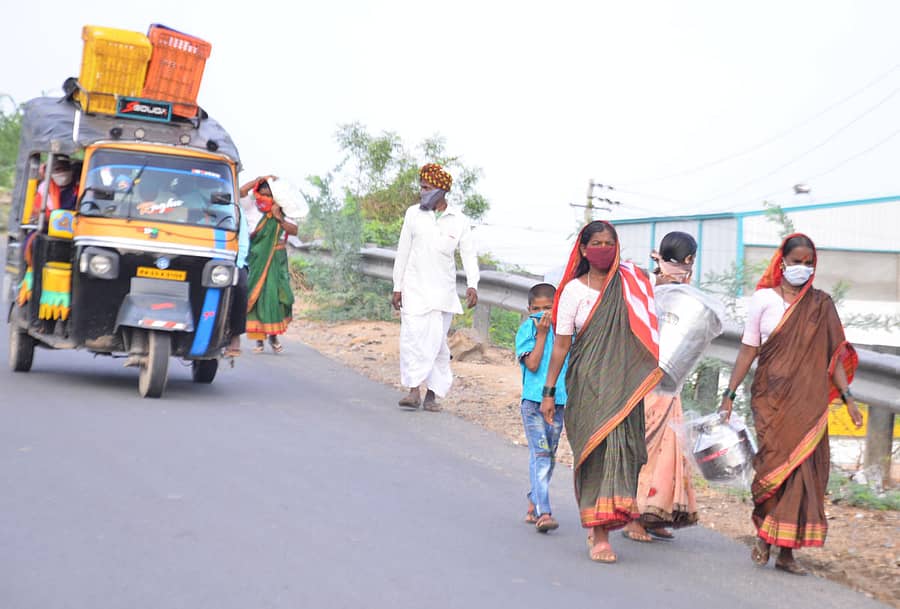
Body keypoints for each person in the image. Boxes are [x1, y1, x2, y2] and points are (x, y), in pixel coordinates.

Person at [719, 233, 862, 575]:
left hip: (808, 403)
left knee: (803, 472)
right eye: (797, 262)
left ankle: (785, 552)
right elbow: (749, 349)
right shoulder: (763, 300)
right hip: (770, 399)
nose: (803, 268)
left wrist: (849, 398)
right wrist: (729, 394)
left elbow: (833, 357)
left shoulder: (821, 305)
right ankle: (766, 537)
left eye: (809, 263)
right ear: (782, 262)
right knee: (773, 468)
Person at [541, 220, 662, 563]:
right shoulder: (572, 292)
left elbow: (648, 327)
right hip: (587, 385)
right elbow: (561, 346)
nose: (604, 249)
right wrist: (549, 391)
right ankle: (598, 532)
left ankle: (608, 522)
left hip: (624, 386)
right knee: (596, 453)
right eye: (597, 243)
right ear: (583, 249)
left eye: (610, 243)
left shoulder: (631, 285)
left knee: (625, 451)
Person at [623, 231, 701, 544]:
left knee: (667, 446)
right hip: (653, 379)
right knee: (650, 448)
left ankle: (654, 514)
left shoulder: (657, 285)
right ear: (689, 259)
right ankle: (634, 517)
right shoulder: (665, 290)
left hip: (662, 379)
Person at [391, 163, 479, 412]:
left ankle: (432, 394)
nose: (422, 192)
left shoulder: (458, 220)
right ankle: (413, 390)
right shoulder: (413, 214)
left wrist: (472, 284)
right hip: (413, 289)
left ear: (442, 191)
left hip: (442, 293)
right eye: (421, 187)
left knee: (437, 344)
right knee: (411, 340)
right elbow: (403, 251)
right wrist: (397, 286)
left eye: (427, 188)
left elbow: (469, 254)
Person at [515, 283, 568, 533]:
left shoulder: (565, 331)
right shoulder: (527, 330)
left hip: (559, 402)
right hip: (533, 402)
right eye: (537, 309)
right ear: (529, 310)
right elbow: (533, 364)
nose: (542, 314)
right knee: (541, 454)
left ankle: (533, 500)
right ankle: (544, 512)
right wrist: (542, 335)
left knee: (549, 455)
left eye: (548, 308)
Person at [240, 176, 297, 353]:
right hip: (257, 258)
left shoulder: (283, 210)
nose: (265, 197)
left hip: (277, 260)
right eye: (263, 193)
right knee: (258, 296)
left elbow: (294, 230)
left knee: (279, 296)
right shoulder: (252, 206)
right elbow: (241, 191)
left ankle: (273, 336)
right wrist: (259, 179)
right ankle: (260, 341)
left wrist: (279, 217)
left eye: (269, 194)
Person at [225, 198, 251, 357]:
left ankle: (235, 333)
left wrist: (238, 262)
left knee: (241, 286)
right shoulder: (188, 198)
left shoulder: (234, 208)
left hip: (228, 258)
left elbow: (242, 240)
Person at [33, 155, 80, 221]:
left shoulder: (80, 187)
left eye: (65, 168)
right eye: (57, 169)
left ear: (71, 169)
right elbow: (38, 212)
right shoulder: (44, 189)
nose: (62, 171)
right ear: (50, 173)